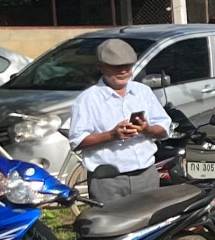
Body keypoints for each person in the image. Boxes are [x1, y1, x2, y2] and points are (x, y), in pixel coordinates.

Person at [66, 38, 168, 205]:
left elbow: (164, 129)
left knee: (149, 226)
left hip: (146, 175)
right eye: (116, 67)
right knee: (112, 228)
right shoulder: (87, 99)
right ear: (101, 67)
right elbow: (77, 142)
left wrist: (146, 129)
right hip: (108, 181)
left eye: (127, 67)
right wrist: (112, 135)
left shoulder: (143, 92)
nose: (123, 72)